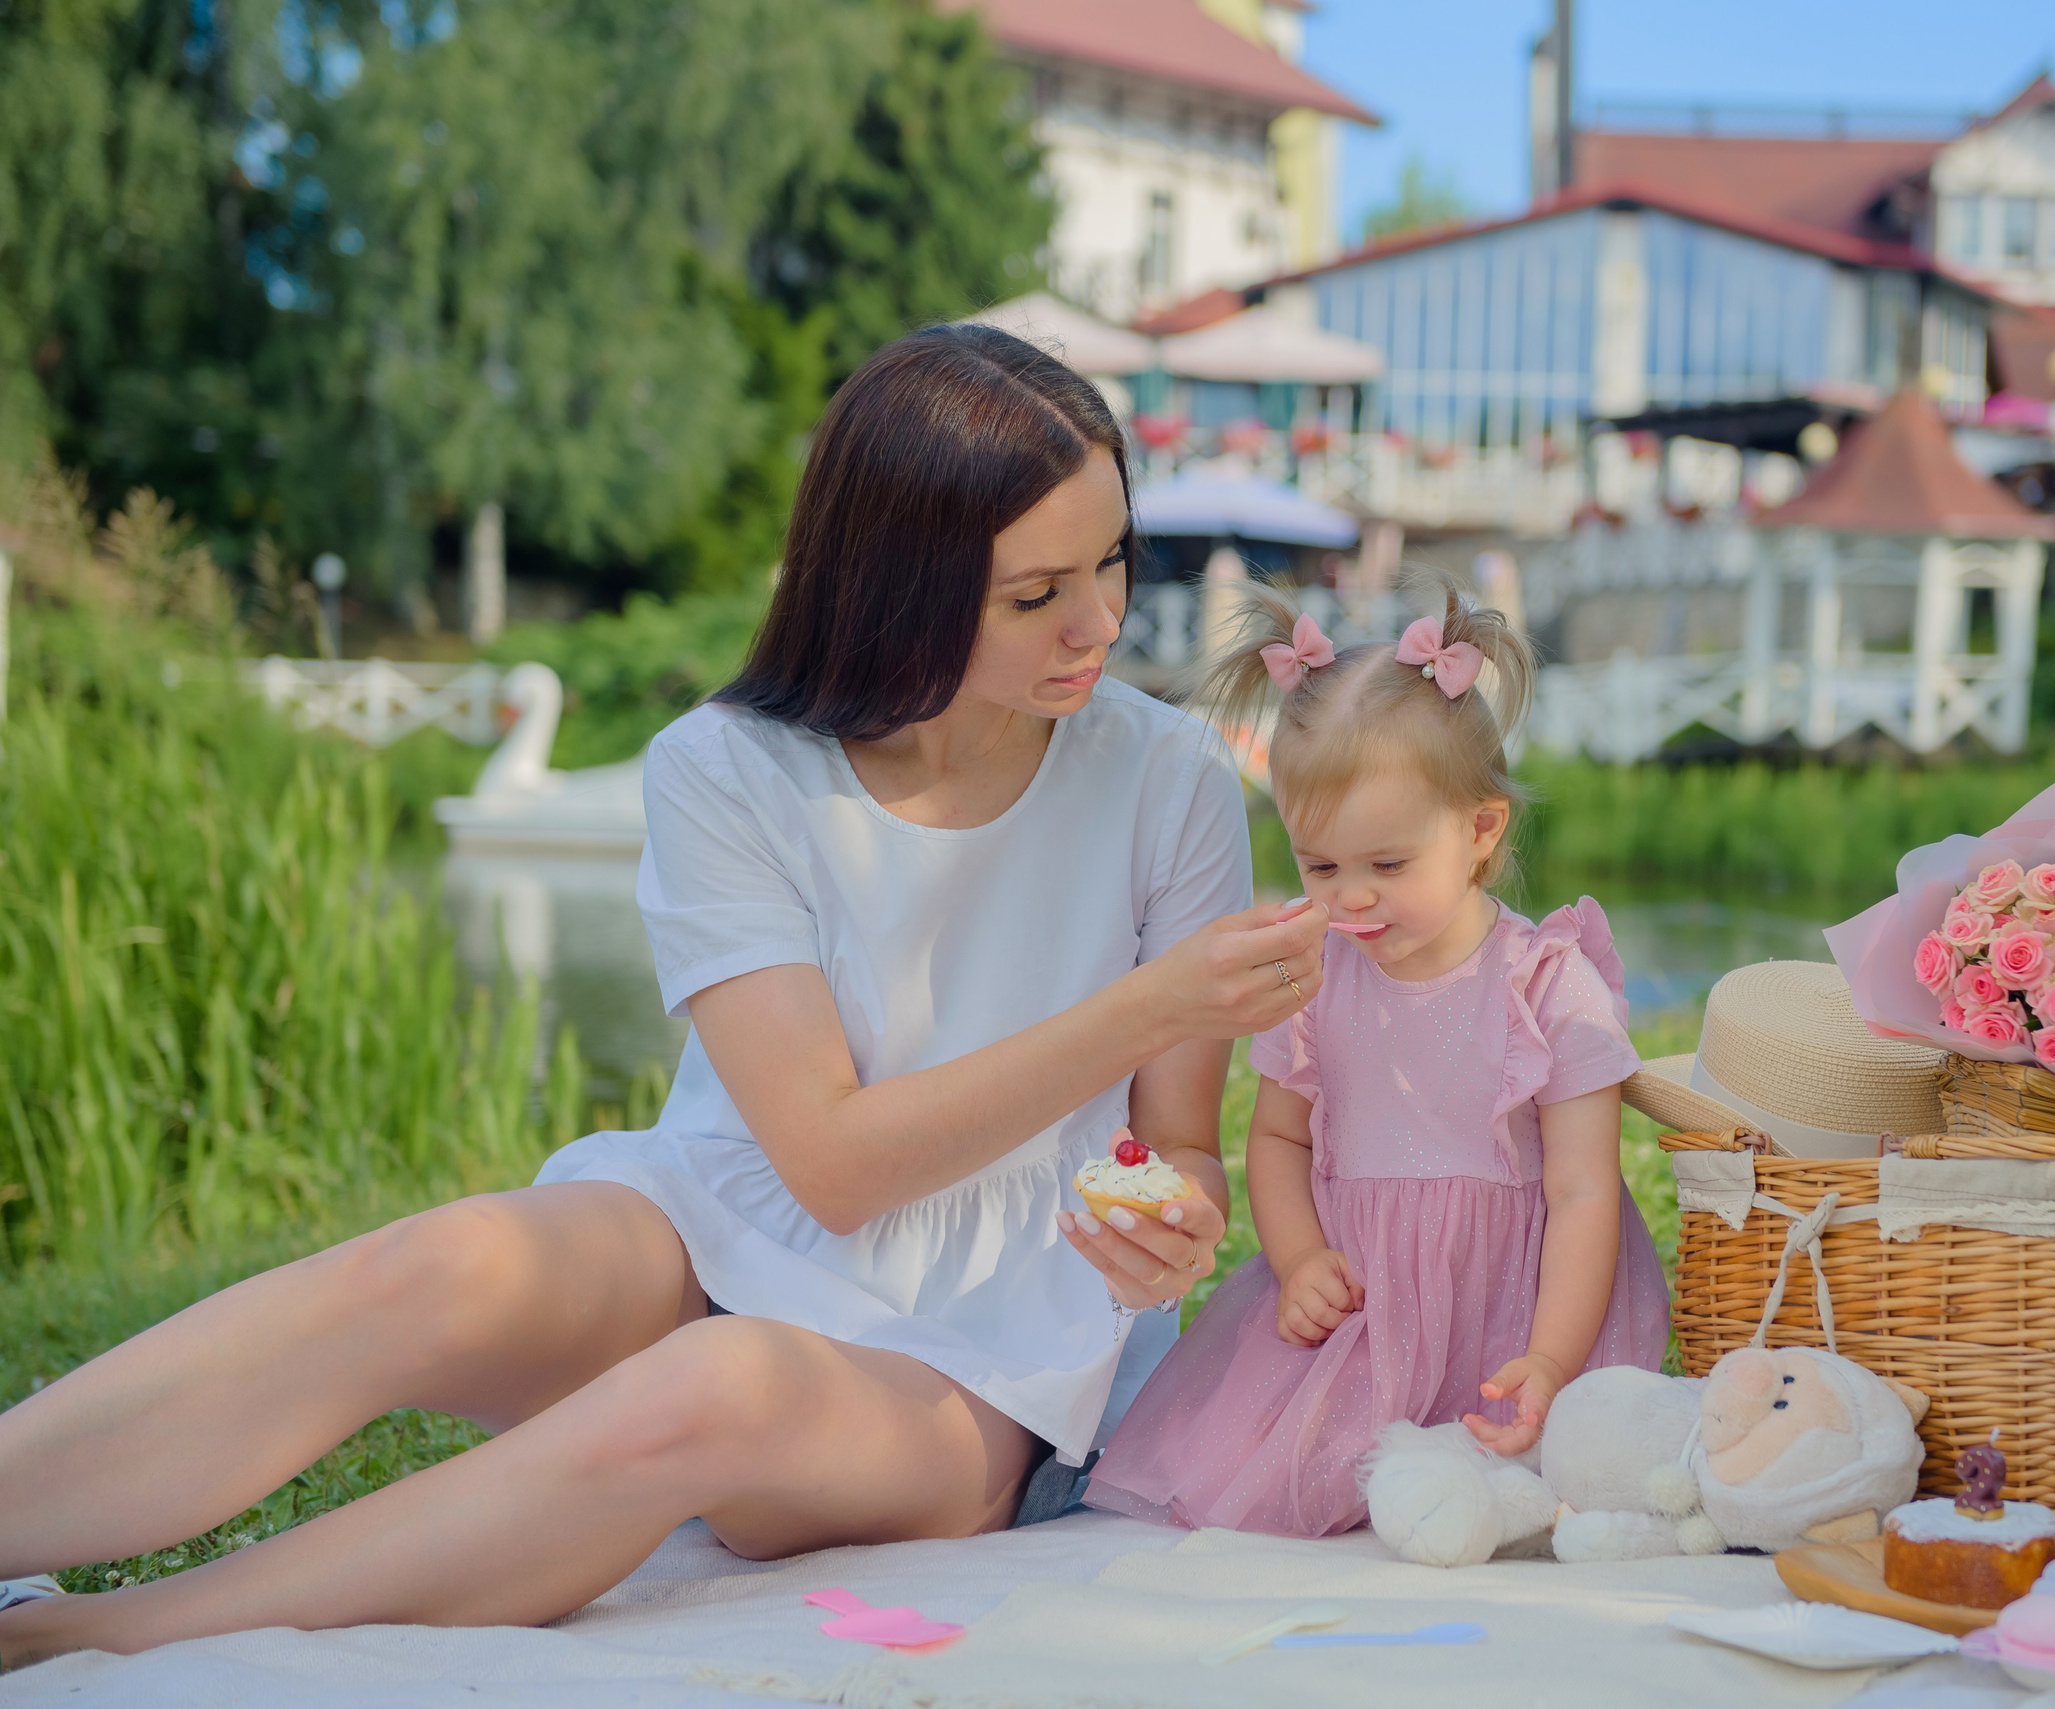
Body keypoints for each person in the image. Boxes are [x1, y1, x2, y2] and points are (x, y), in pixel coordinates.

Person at [0, 326, 1331, 1665]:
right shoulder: (727, 767)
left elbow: (1176, 1157)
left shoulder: (1166, 777)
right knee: (440, 1261)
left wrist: (1176, 1221)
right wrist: (1152, 1004)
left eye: (1113, 562)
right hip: (727, 1228)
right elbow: (829, 1164)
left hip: (995, 1351)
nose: (1101, 621)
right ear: (902, 586)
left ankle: (71, 1640)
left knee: (717, 1385)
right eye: (1038, 592)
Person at [1082, 588, 1670, 1538]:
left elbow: (1584, 1193)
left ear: (1480, 832)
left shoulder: (1547, 984)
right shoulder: (1315, 977)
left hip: (1516, 1308)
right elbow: (1274, 1136)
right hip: (1363, 1309)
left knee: (1548, 1470)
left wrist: (1554, 1359)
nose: (1352, 898)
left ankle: (1510, 1435)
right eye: (1320, 866)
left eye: (1388, 866)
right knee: (1279, 1478)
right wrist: (1299, 1254)